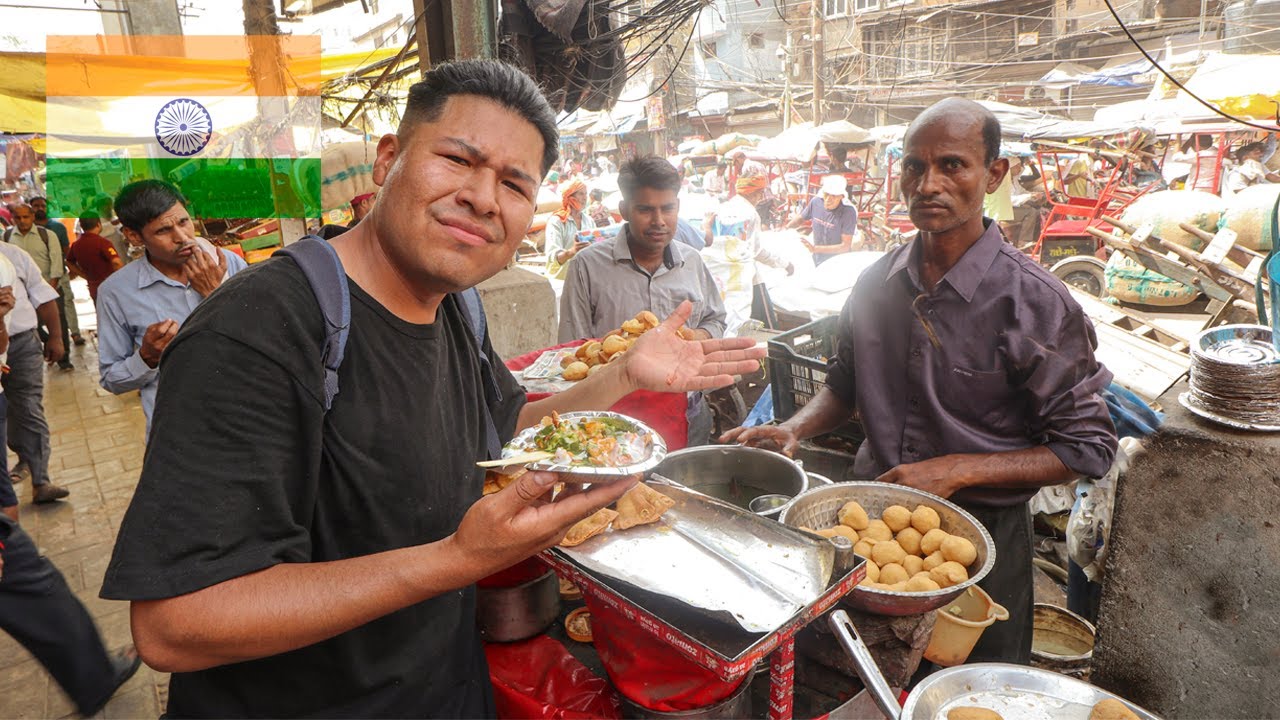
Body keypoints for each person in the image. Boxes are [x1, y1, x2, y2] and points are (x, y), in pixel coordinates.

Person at [99, 59, 763, 718]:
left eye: (514, 183)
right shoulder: (258, 329)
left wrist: (621, 376)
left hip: (447, 687)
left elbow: (506, 431)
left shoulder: (456, 306)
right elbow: (175, 625)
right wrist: (457, 560)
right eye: (457, 159)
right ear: (388, 160)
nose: (483, 197)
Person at [723, 98, 1117, 667]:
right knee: (862, 682)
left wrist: (957, 470)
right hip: (870, 530)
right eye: (914, 166)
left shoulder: (1034, 304)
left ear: (994, 174)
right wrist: (795, 428)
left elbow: (1087, 448)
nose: (928, 184)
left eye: (952, 165)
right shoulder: (874, 284)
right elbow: (845, 385)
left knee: (968, 688)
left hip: (981, 542)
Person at [559, 156, 728, 447]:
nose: (659, 221)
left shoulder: (692, 262)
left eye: (667, 208)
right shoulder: (587, 266)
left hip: (687, 414)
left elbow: (716, 319)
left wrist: (691, 339)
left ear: (678, 207)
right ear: (624, 210)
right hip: (615, 422)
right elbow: (573, 350)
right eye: (645, 210)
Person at [94, 180, 248, 433]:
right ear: (134, 236)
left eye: (184, 222)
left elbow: (265, 338)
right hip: (179, 432)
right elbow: (111, 379)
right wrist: (147, 357)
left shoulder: (227, 263)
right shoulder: (116, 292)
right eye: (163, 231)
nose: (182, 237)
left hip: (245, 417)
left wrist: (214, 294)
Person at [0, 240, 69, 504]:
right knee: (7, 410)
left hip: (21, 345)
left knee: (28, 406)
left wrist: (56, 337)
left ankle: (41, 480)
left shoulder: (13, 255)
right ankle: (22, 459)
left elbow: (44, 297)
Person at [704, 174, 793, 333]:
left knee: (733, 320)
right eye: (760, 193)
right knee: (767, 325)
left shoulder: (723, 208)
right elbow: (756, 251)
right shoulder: (751, 214)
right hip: (748, 276)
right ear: (752, 193)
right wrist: (784, 264)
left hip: (725, 277)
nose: (761, 197)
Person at [3, 203, 74, 370]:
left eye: (25, 217)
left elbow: (57, 263)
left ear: (32, 217)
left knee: (59, 322)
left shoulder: (47, 235)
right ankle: (45, 345)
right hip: (23, 298)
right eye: (18, 218)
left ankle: (64, 359)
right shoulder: (8, 237)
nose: (22, 221)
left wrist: (50, 289)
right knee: (33, 325)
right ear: (13, 219)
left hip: (48, 288)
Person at [29, 196, 84, 353]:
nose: (40, 208)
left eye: (43, 205)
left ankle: (75, 333)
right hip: (35, 279)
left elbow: (66, 250)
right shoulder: (26, 229)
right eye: (36, 206)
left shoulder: (57, 227)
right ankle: (49, 338)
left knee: (66, 303)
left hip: (59, 275)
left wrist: (71, 268)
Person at [787, 174, 860, 264]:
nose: (828, 199)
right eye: (826, 194)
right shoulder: (816, 202)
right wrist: (786, 228)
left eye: (834, 196)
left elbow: (845, 247)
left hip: (837, 260)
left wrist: (815, 249)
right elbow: (801, 218)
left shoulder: (848, 212)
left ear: (842, 196)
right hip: (817, 255)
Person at [65, 213, 123, 304]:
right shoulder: (103, 243)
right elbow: (116, 262)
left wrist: (83, 275)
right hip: (111, 286)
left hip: (93, 287)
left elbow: (68, 262)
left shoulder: (76, 245)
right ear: (98, 224)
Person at [544, 178, 596, 280]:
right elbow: (552, 258)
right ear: (569, 196)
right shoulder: (557, 221)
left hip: (584, 278)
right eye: (581, 194)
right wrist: (572, 252)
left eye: (586, 194)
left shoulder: (589, 221)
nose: (585, 198)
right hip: (562, 280)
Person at [94, 195, 131, 265]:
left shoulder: (115, 218)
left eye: (109, 205)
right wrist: (112, 224)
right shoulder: (96, 222)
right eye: (105, 205)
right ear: (98, 208)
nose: (108, 208)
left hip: (123, 255)